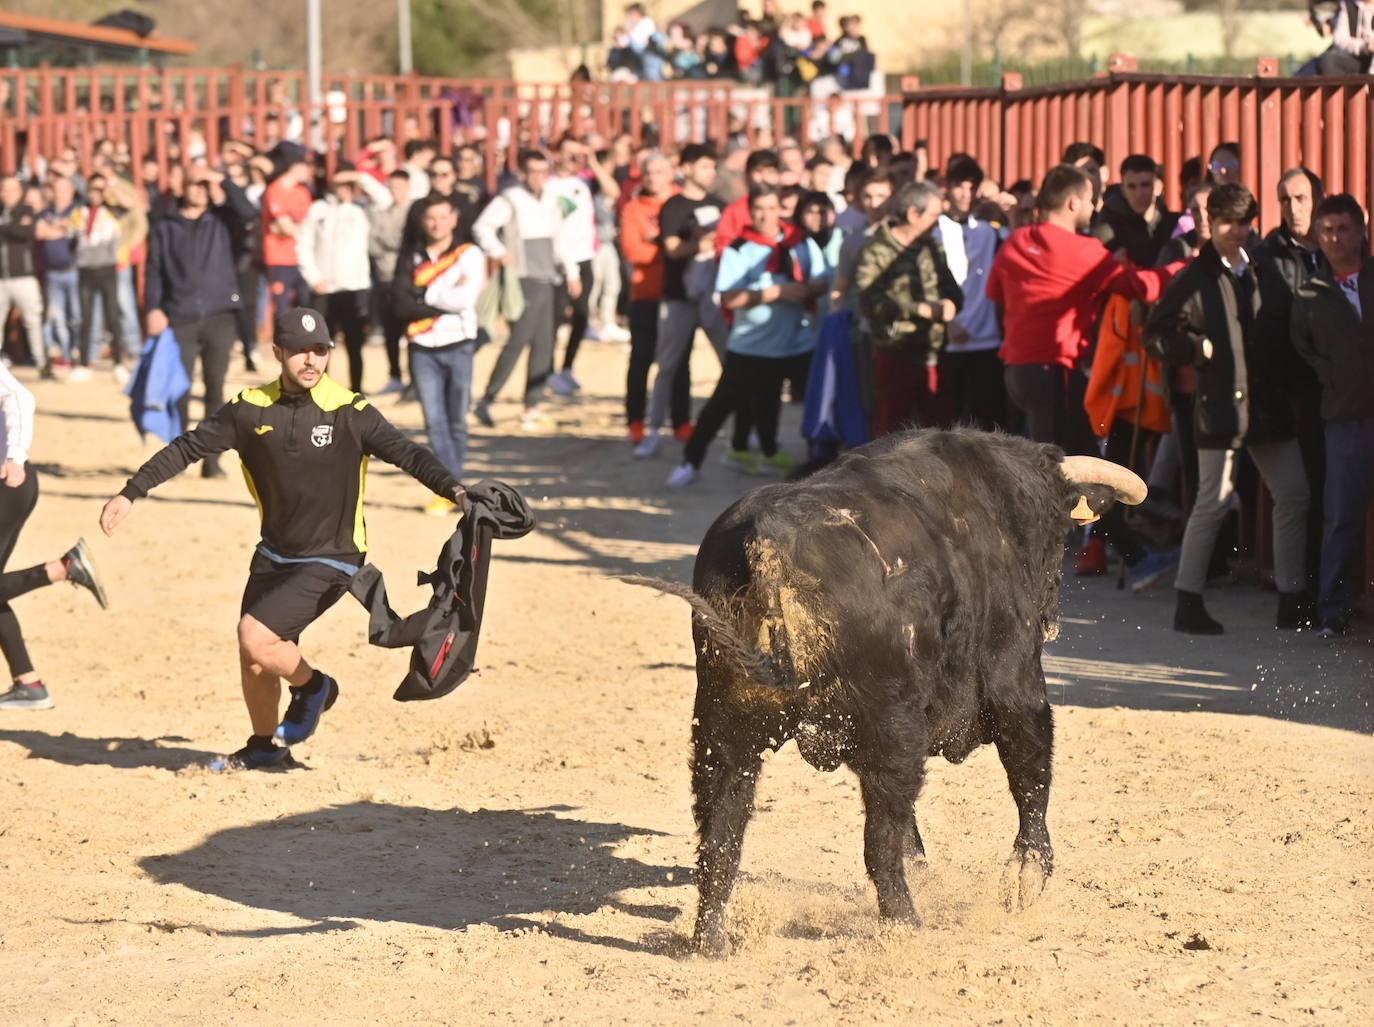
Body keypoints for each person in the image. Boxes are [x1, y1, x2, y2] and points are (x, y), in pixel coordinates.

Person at [97, 308, 467, 769]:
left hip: (334, 557)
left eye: (321, 350)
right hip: (274, 553)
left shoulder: (349, 412)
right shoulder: (250, 409)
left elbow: (410, 454)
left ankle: (315, 687)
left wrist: (454, 489)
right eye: (299, 351)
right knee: (254, 658)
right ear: (278, 353)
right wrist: (131, 492)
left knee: (255, 637)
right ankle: (263, 747)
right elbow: (188, 446)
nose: (311, 360)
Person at [1143, 183, 1310, 635]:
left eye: (1244, 222)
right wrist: (1200, 349)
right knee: (1212, 503)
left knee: (1293, 493)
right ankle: (1188, 601)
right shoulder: (1194, 278)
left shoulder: (1261, 267)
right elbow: (1154, 335)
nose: (1238, 230)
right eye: (1228, 222)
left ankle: (1292, 599)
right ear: (1210, 223)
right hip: (1220, 405)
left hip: (1267, 403)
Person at [987, 163, 1180, 454]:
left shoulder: (1015, 241)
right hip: (1054, 372)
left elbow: (996, 296)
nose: (1094, 206)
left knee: (1059, 458)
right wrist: (1185, 267)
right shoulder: (1083, 251)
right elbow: (1141, 287)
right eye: (1090, 199)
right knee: (1058, 466)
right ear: (1073, 202)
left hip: (1016, 372)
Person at [666, 183, 827, 485]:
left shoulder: (800, 241)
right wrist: (776, 292)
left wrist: (808, 289)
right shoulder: (739, 248)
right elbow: (730, 298)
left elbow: (823, 279)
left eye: (771, 208)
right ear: (749, 212)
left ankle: (793, 458)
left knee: (799, 402)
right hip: (751, 345)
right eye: (758, 210)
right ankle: (691, 461)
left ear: (781, 209)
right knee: (721, 404)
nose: (765, 216)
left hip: (796, 342)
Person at [0, 363, 108, 710]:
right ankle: (29, 683)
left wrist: (14, 455)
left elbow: (19, 395)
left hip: (8, 480)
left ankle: (64, 567)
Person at [1290, 193, 1374, 638]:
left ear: (1362, 229)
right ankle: (1333, 611)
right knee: (1342, 516)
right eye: (1327, 230)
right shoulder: (1310, 294)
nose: (1336, 238)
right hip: (1343, 418)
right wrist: (1331, 374)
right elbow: (1301, 350)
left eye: (1344, 228)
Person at [145, 163, 259, 480]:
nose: (199, 189)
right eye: (193, 183)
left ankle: (212, 462)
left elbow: (249, 213)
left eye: (203, 184)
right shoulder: (164, 225)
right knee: (177, 391)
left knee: (215, 389)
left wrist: (221, 179)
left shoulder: (222, 220)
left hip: (220, 315)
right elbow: (153, 270)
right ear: (181, 187)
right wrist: (153, 308)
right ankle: (177, 460)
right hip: (179, 315)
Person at [471, 149, 580, 431]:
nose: (538, 177)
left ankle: (532, 405)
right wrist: (500, 252)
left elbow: (559, 240)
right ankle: (488, 400)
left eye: (543, 171)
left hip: (546, 278)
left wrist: (571, 271)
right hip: (523, 279)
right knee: (518, 340)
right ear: (522, 172)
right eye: (532, 171)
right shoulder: (510, 198)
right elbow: (482, 227)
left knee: (545, 342)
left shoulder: (552, 200)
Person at [391, 194, 486, 514]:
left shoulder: (469, 254)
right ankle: (453, 487)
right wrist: (443, 293)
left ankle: (452, 486)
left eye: (443, 217)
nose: (437, 224)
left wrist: (423, 293)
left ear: (453, 219)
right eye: (431, 218)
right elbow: (399, 303)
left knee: (457, 419)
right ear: (423, 221)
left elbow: (465, 299)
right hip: (421, 346)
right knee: (434, 421)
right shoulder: (411, 255)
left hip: (459, 344)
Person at [637, 143, 729, 457]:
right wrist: (702, 241)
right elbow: (673, 249)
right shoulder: (673, 207)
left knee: (732, 365)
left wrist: (711, 241)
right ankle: (652, 432)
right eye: (704, 166)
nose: (711, 173)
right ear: (687, 168)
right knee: (667, 367)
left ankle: (740, 435)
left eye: (712, 167)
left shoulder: (721, 204)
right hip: (677, 299)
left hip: (715, 299)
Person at [854, 180, 962, 436]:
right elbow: (868, 302)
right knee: (890, 431)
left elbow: (953, 290)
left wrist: (951, 304)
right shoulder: (877, 250)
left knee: (939, 432)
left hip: (935, 353)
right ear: (913, 213)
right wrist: (918, 309)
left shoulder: (933, 248)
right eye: (934, 215)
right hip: (896, 354)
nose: (938, 222)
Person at [935, 155, 1007, 431]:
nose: (965, 194)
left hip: (986, 340)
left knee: (986, 421)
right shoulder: (935, 231)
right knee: (948, 423)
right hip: (950, 340)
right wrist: (948, 322)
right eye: (959, 187)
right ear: (947, 188)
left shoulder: (989, 232)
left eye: (971, 187)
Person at [620, 151, 679, 445]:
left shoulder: (680, 201)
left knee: (679, 360)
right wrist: (670, 248)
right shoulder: (633, 209)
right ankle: (635, 421)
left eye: (659, 171)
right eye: (648, 173)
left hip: (678, 294)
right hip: (645, 294)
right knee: (641, 359)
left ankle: (681, 422)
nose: (653, 178)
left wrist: (658, 242)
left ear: (671, 173)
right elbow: (633, 252)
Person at [298, 167, 373, 393]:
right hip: (324, 288)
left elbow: (384, 198)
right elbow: (303, 243)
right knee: (321, 345)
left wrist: (359, 176)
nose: (346, 189)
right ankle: (321, 391)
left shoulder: (362, 210)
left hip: (354, 287)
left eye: (350, 185)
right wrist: (313, 278)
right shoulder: (319, 209)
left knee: (354, 344)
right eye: (342, 184)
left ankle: (357, 391)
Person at [546, 135, 600, 395]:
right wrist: (571, 271)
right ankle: (547, 370)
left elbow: (614, 191)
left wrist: (593, 163)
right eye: (568, 153)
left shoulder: (585, 181)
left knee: (581, 316)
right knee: (555, 318)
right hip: (560, 261)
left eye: (577, 155)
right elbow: (556, 229)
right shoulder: (550, 186)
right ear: (556, 154)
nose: (572, 160)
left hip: (585, 256)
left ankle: (567, 367)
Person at [73, 173, 128, 381]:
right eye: (92, 190)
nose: (94, 195)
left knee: (112, 317)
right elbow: (71, 236)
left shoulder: (112, 211)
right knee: (85, 318)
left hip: (107, 269)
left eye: (99, 190)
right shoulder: (79, 212)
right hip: (85, 270)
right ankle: (84, 362)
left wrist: (110, 190)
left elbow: (130, 206)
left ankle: (118, 362)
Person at [368, 169, 413, 396]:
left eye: (398, 187)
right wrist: (390, 241)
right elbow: (372, 244)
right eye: (391, 187)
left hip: (407, 278)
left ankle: (415, 379)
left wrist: (387, 241)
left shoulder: (413, 212)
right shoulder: (382, 213)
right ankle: (395, 375)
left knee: (412, 328)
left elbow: (403, 242)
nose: (394, 191)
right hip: (385, 276)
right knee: (390, 330)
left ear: (407, 187)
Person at [0, 176, 48, 378]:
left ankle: (43, 365)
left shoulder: (26, 211)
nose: (8, 193)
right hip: (2, 278)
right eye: (4, 189)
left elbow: (24, 232)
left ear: (20, 192)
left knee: (33, 321)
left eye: (12, 189)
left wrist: (5, 227)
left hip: (24, 277)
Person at [262, 145, 315, 316]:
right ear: (295, 166)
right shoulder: (275, 190)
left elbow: (307, 226)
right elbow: (286, 227)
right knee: (282, 308)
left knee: (307, 305)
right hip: (280, 258)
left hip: (303, 255)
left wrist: (288, 226)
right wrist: (290, 227)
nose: (308, 171)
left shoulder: (303, 192)